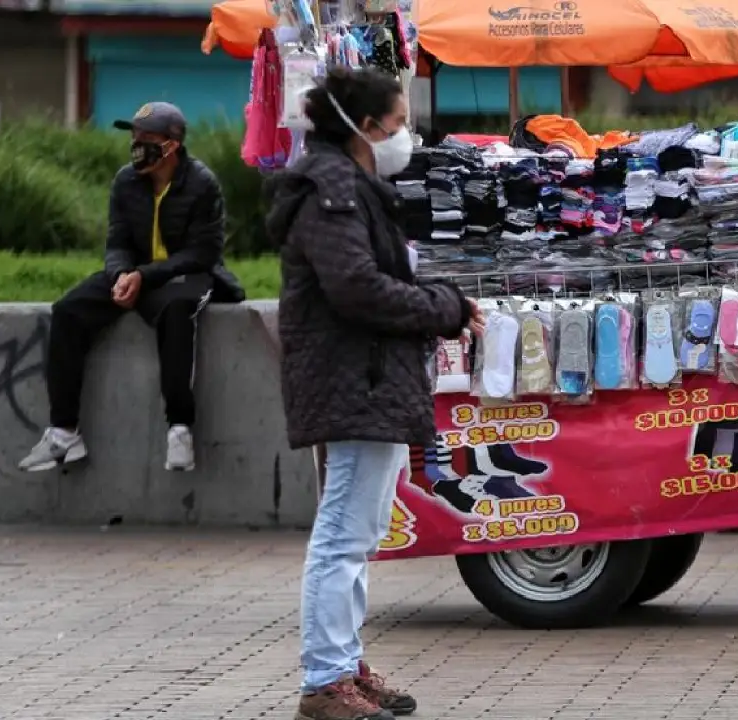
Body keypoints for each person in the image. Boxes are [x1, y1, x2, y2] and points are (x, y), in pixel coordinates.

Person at [267, 67, 482, 720]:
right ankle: (325, 679)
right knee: (342, 533)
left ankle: (343, 662)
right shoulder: (330, 190)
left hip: (372, 378)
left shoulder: (354, 186)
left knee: (358, 533)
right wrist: (441, 307)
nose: (405, 135)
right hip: (351, 378)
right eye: (398, 123)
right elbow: (356, 286)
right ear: (364, 128)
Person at [18, 101, 243, 474]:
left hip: (183, 277)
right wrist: (123, 274)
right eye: (134, 137)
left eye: (147, 138)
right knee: (68, 311)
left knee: (176, 312)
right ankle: (64, 433)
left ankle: (180, 428)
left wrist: (146, 277)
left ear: (172, 144)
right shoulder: (126, 181)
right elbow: (117, 241)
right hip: (136, 273)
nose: (137, 145)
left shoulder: (202, 184)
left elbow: (203, 253)